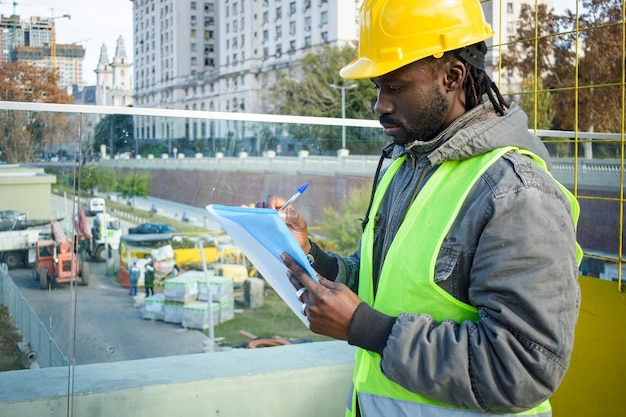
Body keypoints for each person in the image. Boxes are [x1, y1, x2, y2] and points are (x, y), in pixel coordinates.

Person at [259, 0, 582, 416]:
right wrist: (311, 256)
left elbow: (522, 366)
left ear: (452, 76)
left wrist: (365, 328)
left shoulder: (516, 193)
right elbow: (382, 286)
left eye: (395, 88)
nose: (380, 106)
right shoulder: (407, 166)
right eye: (377, 88)